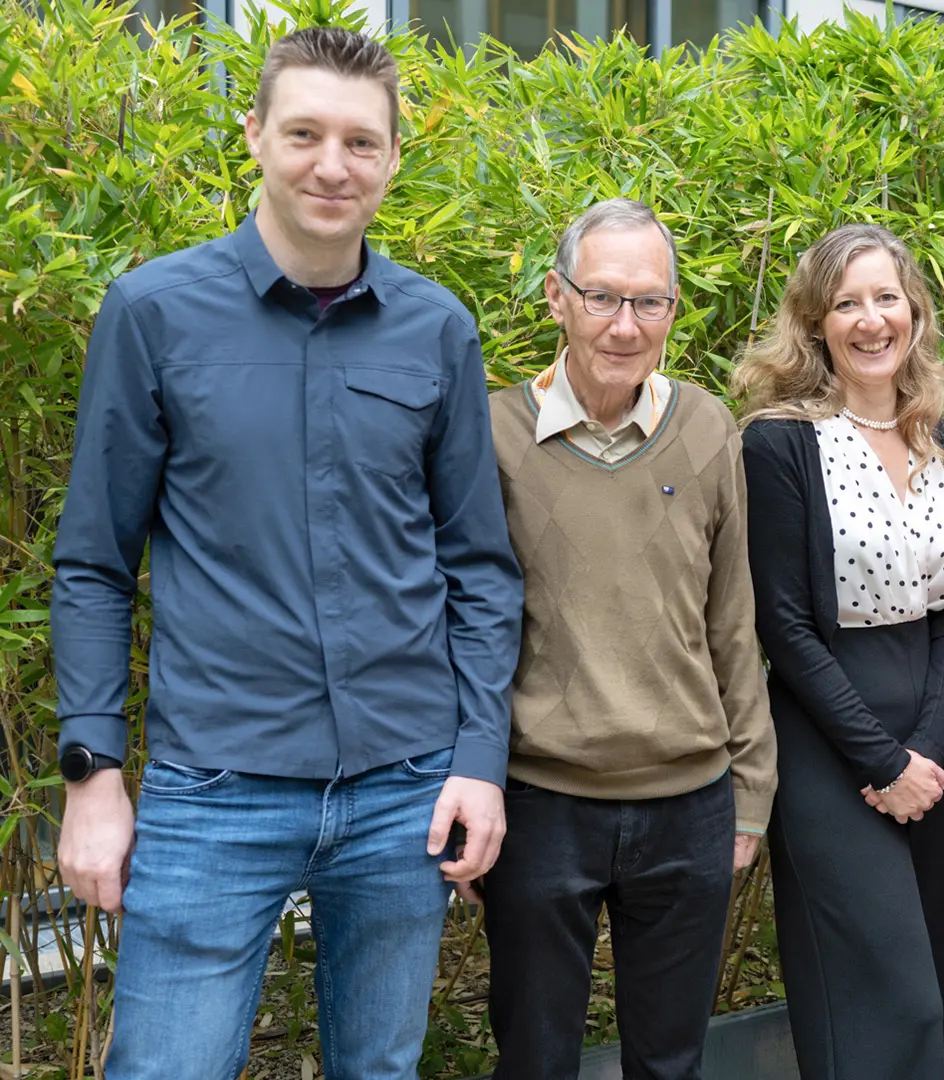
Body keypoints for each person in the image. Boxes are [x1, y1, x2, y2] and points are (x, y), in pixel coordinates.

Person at [50, 28, 522, 1078]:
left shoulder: (437, 330)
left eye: (362, 141)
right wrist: (93, 773)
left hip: (405, 790)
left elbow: (478, 568)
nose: (331, 164)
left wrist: (478, 763)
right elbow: (92, 563)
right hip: (215, 788)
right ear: (255, 133)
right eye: (304, 132)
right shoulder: (154, 313)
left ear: (394, 158)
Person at [482, 198, 776, 1079]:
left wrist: (749, 795)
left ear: (674, 310)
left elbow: (733, 620)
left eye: (650, 302)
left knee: (670, 1062)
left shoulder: (708, 429)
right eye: (602, 297)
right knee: (534, 1059)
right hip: (538, 802)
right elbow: (461, 629)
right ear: (555, 297)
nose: (625, 324)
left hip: (690, 803)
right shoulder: (489, 433)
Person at [735, 223, 944, 1080]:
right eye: (848, 303)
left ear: (914, 311)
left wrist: (926, 753)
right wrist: (881, 760)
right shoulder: (779, 444)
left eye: (887, 298)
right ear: (815, 323)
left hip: (927, 749)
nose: (871, 320)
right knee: (881, 1005)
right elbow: (784, 626)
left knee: (930, 1006)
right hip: (828, 750)